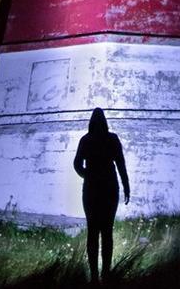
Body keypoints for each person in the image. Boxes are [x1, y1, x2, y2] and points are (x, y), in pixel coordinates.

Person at [73, 108, 130, 283]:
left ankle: (94, 276)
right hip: (109, 189)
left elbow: (77, 164)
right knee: (107, 232)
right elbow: (120, 164)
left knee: (93, 231)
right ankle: (106, 273)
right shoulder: (112, 139)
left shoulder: (86, 140)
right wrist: (126, 186)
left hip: (91, 190)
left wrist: (87, 175)